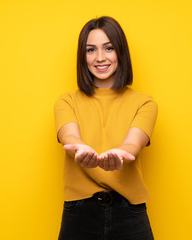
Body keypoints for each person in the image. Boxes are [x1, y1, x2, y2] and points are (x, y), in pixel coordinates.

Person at [54, 16, 158, 240]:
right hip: (79, 213)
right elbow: (69, 135)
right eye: (91, 50)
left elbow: (133, 143)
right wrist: (80, 149)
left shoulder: (144, 103)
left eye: (109, 48)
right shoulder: (66, 101)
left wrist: (122, 152)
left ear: (121, 52)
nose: (100, 58)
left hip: (129, 212)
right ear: (83, 57)